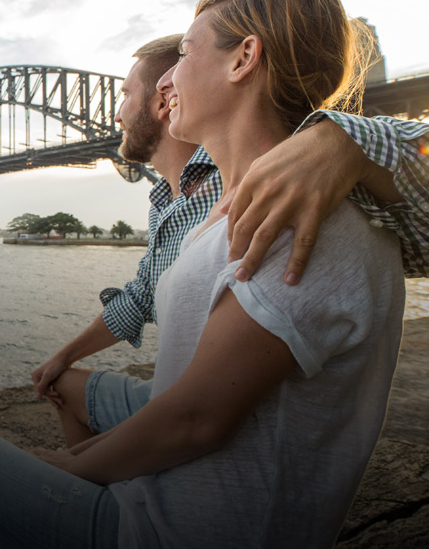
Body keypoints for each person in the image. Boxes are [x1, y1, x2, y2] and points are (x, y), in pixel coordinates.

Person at [0, 0, 407, 549]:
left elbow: (192, 420)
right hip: (174, 534)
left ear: (244, 59)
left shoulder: (291, 221)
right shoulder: (232, 208)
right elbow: (168, 357)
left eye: (183, 51)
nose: (165, 81)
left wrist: (60, 470)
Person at [30, 37, 429, 447]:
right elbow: (140, 296)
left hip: (227, 429)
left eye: (126, 94)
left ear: (165, 101)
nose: (115, 115)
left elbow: (197, 420)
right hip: (172, 405)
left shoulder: (261, 180)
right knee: (63, 387)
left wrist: (345, 140)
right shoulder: (164, 199)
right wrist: (65, 354)